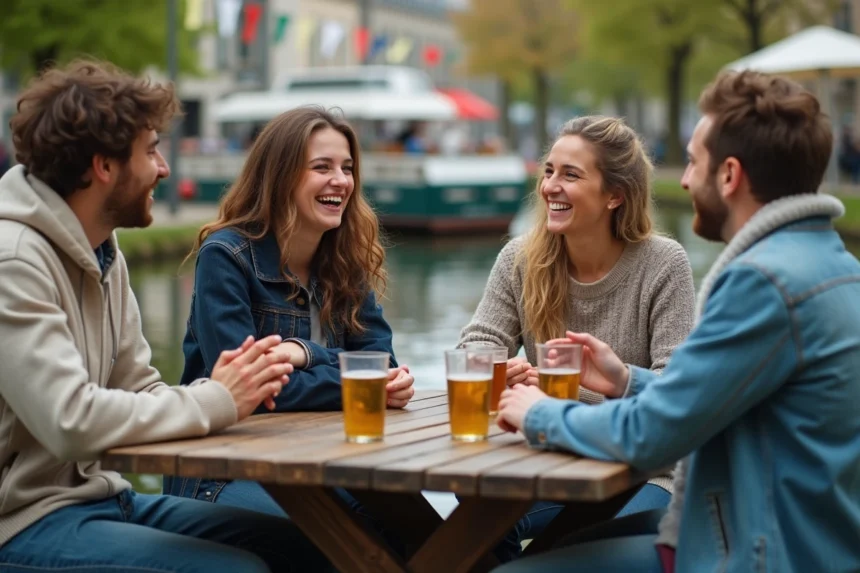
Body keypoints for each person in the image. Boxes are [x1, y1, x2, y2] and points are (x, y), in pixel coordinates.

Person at [495, 71, 860, 572]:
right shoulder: (833, 265)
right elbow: (707, 398)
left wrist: (538, 412)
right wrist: (628, 379)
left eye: (693, 162)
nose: (684, 179)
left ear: (729, 175)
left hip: (754, 553)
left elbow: (653, 435)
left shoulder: (764, 283)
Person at [0, 60, 331, 572]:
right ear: (104, 165)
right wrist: (217, 398)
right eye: (151, 150)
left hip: (101, 498)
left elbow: (140, 389)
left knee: (307, 542)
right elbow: (70, 420)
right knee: (233, 570)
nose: (164, 167)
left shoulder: (103, 252)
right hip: (21, 522)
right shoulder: (14, 259)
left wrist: (231, 395)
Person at [163, 106, 415, 529]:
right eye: (322, 167)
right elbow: (255, 392)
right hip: (223, 471)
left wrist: (300, 355)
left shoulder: (347, 260)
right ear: (280, 177)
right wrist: (333, 364)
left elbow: (382, 369)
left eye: (347, 168)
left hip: (324, 462)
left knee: (407, 521)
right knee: (340, 532)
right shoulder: (226, 258)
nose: (341, 180)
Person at [459, 115, 696, 561]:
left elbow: (676, 393)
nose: (551, 186)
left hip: (647, 471)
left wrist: (555, 402)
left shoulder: (664, 264)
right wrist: (495, 372)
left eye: (570, 174)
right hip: (549, 460)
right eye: (549, 171)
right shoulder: (520, 258)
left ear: (615, 196)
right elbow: (477, 343)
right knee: (474, 514)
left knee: (573, 547)